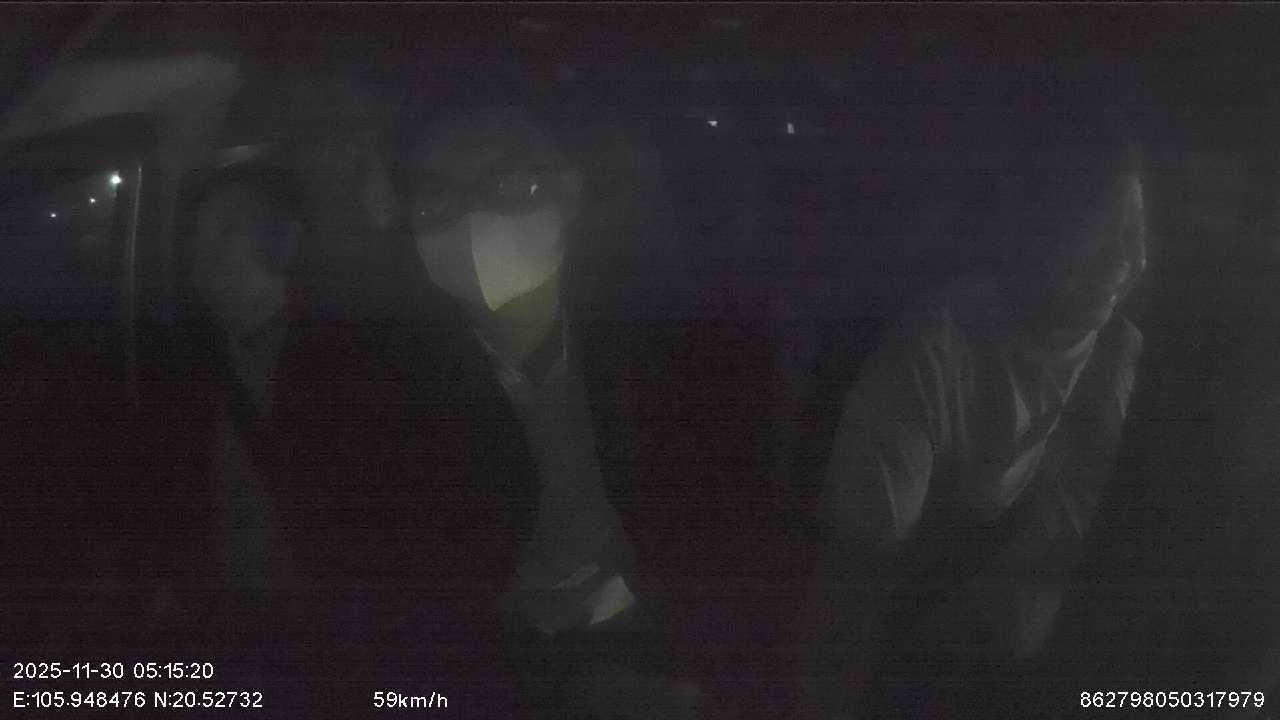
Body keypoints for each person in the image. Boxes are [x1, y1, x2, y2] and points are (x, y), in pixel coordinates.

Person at [798, 114, 1148, 719]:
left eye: (1137, 229)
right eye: (1103, 227)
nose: (1129, 257)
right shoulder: (935, 356)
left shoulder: (1127, 356)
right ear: (1035, 226)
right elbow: (852, 588)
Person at [406, 106, 703, 718]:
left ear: (570, 193)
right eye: (438, 196)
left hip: (652, 640)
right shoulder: (391, 372)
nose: (473, 217)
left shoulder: (657, 336)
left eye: (508, 184)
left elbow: (713, 524)